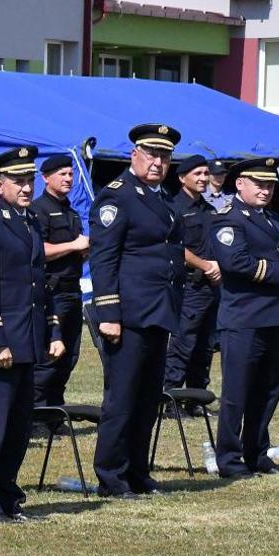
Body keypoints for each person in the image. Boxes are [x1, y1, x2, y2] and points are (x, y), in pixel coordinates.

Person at [0, 148, 63, 523]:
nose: (25, 187)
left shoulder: (29, 221)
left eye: (29, 180)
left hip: (27, 340)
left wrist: (52, 329)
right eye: (18, 181)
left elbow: (39, 285)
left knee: (18, 428)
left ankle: (7, 497)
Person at [90, 123, 184, 499]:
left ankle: (138, 472)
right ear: (135, 155)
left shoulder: (161, 197)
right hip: (127, 313)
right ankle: (111, 476)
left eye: (164, 157)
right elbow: (103, 259)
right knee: (123, 398)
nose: (158, 163)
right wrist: (109, 313)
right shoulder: (118, 196)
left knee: (147, 399)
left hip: (158, 311)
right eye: (152, 155)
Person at [210, 157, 279, 478]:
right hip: (244, 317)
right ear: (240, 184)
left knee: (268, 390)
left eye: (270, 184)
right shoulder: (228, 218)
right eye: (260, 184)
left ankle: (257, 452)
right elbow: (235, 261)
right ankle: (229, 458)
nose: (266, 190)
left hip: (274, 316)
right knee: (237, 393)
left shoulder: (274, 219)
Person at [30, 154, 89, 407]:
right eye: (62, 174)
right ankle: (38, 411)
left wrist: (82, 251)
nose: (68, 179)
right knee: (49, 353)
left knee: (70, 355)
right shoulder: (38, 210)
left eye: (70, 174)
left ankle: (55, 409)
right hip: (51, 292)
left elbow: (73, 251)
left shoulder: (71, 212)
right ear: (46, 178)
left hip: (72, 289)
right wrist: (74, 245)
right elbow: (39, 251)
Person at [164, 155, 223, 392]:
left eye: (205, 173)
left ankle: (197, 397)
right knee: (183, 343)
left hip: (211, 287)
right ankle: (171, 395)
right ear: (181, 178)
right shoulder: (173, 208)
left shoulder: (208, 209)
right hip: (189, 286)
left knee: (206, 345)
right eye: (197, 174)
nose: (203, 178)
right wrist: (205, 265)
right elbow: (175, 247)